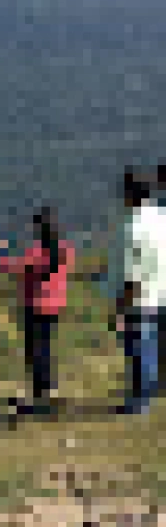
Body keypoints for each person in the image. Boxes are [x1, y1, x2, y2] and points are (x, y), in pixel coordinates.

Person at [0, 205, 75, 412]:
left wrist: (3, 251)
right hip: (56, 305)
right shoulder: (66, 250)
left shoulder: (36, 252)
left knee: (35, 351)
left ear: (39, 228)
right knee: (46, 347)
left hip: (35, 304)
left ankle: (41, 395)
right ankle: (49, 389)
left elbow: (13, 268)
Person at [107, 167, 165, 415]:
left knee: (138, 351)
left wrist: (119, 308)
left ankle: (140, 403)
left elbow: (133, 276)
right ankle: (147, 398)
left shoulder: (133, 228)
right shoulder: (161, 217)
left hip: (140, 298)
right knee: (151, 349)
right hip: (161, 293)